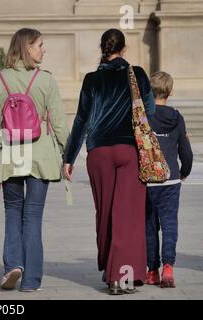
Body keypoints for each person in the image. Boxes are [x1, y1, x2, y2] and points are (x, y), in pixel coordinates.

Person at [63, 29, 156, 295]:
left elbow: (81, 120)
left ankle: (110, 266)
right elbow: (149, 111)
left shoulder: (92, 79)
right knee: (128, 216)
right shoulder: (136, 74)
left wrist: (69, 158)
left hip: (99, 152)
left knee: (105, 214)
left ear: (102, 48)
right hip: (129, 150)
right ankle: (121, 277)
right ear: (124, 49)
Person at [0, 28, 69, 292]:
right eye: (40, 45)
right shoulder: (46, 80)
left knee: (12, 211)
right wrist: (69, 154)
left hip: (11, 154)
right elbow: (58, 122)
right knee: (32, 216)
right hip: (40, 155)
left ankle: (13, 265)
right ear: (27, 48)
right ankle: (31, 281)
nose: (44, 50)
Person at [145, 71, 193, 288]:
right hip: (171, 179)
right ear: (171, 92)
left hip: (147, 179)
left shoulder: (143, 116)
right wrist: (185, 171)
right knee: (170, 224)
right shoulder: (176, 117)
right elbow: (186, 150)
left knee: (149, 226)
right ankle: (169, 267)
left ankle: (152, 270)